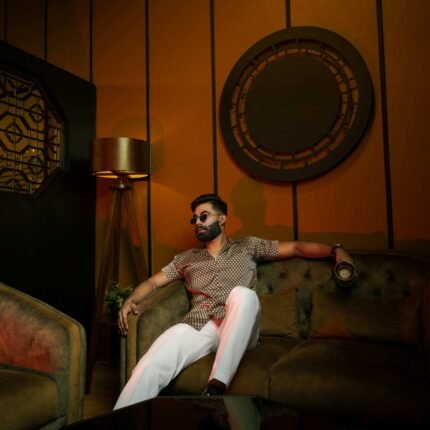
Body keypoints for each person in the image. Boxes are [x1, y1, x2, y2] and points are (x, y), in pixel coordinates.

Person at [114, 193, 353, 409]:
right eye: (194, 219)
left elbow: (297, 248)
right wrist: (130, 299)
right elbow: (153, 282)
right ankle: (122, 420)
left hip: (240, 325)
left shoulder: (248, 246)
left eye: (204, 216)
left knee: (242, 294)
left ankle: (216, 386)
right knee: (153, 360)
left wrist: (335, 251)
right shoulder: (187, 258)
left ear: (222, 219)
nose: (198, 222)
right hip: (201, 325)